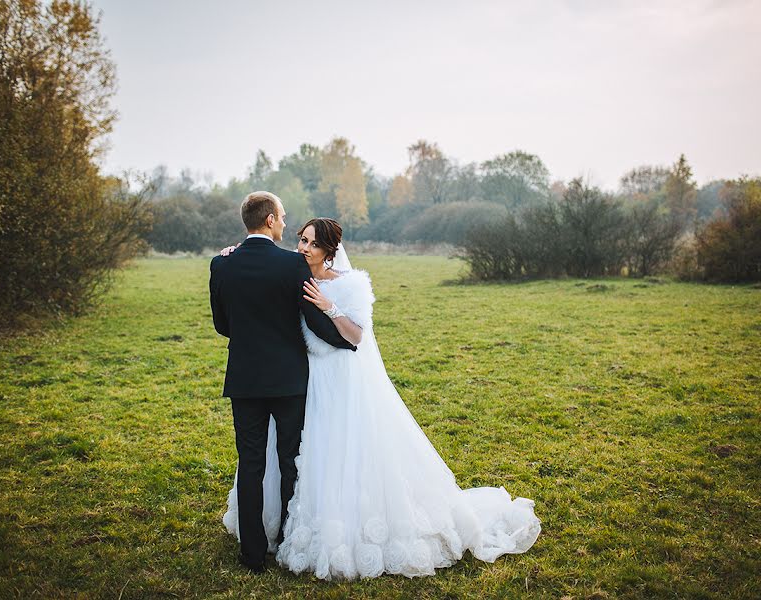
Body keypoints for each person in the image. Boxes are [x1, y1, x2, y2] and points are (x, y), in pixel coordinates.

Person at [220, 216, 541, 579]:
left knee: (345, 453)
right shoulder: (295, 275)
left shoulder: (351, 284)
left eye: (311, 243)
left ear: (329, 250)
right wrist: (234, 252)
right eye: (301, 241)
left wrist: (329, 306)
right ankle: (288, 527)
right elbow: (262, 269)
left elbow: (356, 338)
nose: (303, 248)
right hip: (308, 381)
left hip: (343, 378)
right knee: (305, 455)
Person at [209, 192, 356, 574]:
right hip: (289, 379)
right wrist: (347, 340)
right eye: (284, 217)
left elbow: (221, 324)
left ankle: (253, 554)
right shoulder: (293, 265)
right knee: (290, 460)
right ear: (271, 219)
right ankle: (290, 540)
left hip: (244, 379)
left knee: (251, 462)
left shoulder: (221, 264)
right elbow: (313, 318)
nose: (287, 224)